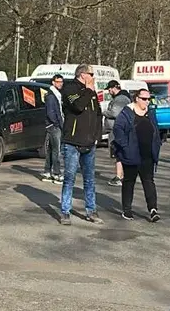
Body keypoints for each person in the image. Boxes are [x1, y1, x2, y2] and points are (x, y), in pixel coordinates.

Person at [58, 64, 104, 226]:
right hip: (72, 141)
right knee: (69, 178)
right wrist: (89, 90)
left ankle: (91, 210)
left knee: (89, 179)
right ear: (83, 75)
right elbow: (77, 106)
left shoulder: (91, 92)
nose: (93, 77)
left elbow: (98, 114)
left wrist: (97, 136)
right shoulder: (70, 88)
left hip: (89, 142)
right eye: (91, 74)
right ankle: (65, 211)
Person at [112, 88, 162, 222]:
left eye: (149, 99)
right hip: (131, 155)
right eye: (144, 99)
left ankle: (153, 209)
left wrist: (157, 144)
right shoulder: (127, 113)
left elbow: (156, 130)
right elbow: (118, 130)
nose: (147, 101)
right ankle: (127, 210)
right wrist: (125, 147)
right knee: (129, 182)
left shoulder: (150, 113)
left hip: (148, 155)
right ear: (137, 98)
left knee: (149, 182)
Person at [102, 80, 133, 186]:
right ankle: (121, 176)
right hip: (119, 130)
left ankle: (120, 176)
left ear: (113, 88)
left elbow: (115, 113)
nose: (109, 91)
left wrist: (103, 112)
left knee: (118, 153)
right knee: (119, 153)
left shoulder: (120, 99)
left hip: (117, 131)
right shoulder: (123, 98)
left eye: (109, 89)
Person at [41, 74, 64, 184]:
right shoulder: (51, 96)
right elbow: (51, 113)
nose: (60, 84)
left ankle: (47, 172)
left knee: (51, 150)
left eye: (61, 82)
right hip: (53, 126)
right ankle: (56, 173)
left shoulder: (56, 95)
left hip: (53, 125)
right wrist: (57, 124)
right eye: (58, 82)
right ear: (53, 82)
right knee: (56, 150)